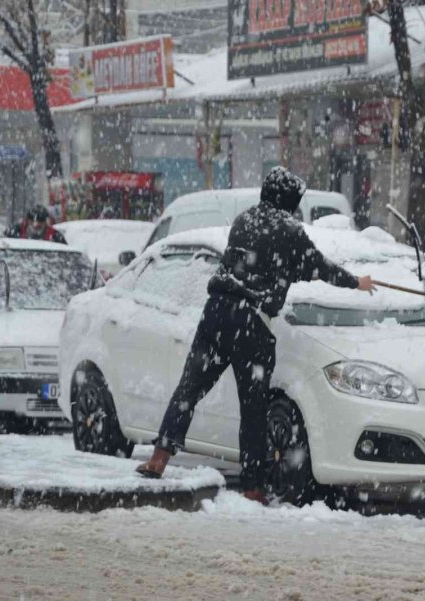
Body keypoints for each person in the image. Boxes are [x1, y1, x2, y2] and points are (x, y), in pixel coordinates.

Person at [135, 167, 375, 503]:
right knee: (253, 409)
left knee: (189, 389)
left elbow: (275, 263)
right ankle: (252, 487)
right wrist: (356, 282)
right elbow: (318, 266)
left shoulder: (244, 220)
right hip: (252, 324)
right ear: (289, 201)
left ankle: (159, 457)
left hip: (216, 313)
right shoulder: (289, 230)